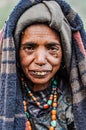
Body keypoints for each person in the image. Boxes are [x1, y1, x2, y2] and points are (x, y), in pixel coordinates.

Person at [0, 0, 86, 130]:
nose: (40, 60)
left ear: (65, 53)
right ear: (15, 52)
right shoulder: (4, 96)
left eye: (52, 48)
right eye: (29, 47)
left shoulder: (75, 97)